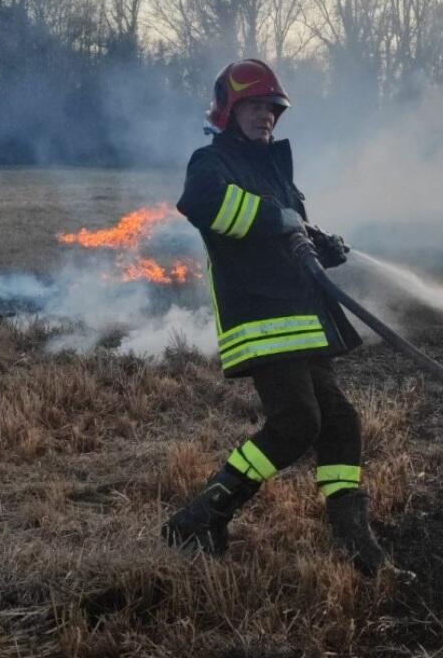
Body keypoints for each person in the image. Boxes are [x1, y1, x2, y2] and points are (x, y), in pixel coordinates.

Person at [160, 59, 386, 576]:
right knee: (296, 422)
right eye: (255, 106)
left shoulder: (276, 172)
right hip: (261, 319)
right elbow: (201, 202)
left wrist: (320, 243)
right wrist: (276, 218)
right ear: (228, 110)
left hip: (302, 317)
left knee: (340, 422)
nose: (266, 117)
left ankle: (354, 542)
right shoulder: (211, 162)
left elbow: (288, 233)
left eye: (272, 108)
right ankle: (200, 516)